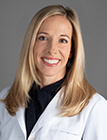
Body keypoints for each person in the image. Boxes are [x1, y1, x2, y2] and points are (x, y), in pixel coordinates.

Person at [0, 5, 107, 140]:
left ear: (71, 51)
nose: (52, 49)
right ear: (31, 43)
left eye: (63, 40)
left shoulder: (94, 107)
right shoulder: (5, 100)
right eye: (43, 38)